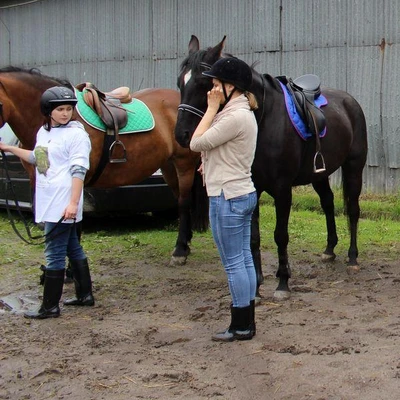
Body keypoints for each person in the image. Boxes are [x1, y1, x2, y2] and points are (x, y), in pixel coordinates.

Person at [0, 86, 95, 319]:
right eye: (60, 109)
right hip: (49, 199)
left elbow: (79, 170)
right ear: (48, 111)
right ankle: (85, 295)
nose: (65, 113)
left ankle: (50, 306)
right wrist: (9, 148)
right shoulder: (45, 132)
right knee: (72, 247)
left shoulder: (77, 135)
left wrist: (73, 203)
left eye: (68, 109)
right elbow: (39, 160)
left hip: (62, 202)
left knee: (54, 253)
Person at [189, 57, 258, 342]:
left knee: (233, 263)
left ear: (232, 86)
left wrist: (211, 108)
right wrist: (211, 160)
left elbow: (195, 142)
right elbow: (223, 149)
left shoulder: (232, 116)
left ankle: (240, 324)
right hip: (240, 191)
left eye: (217, 84)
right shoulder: (241, 113)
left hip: (227, 196)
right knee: (243, 258)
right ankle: (247, 321)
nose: (212, 90)